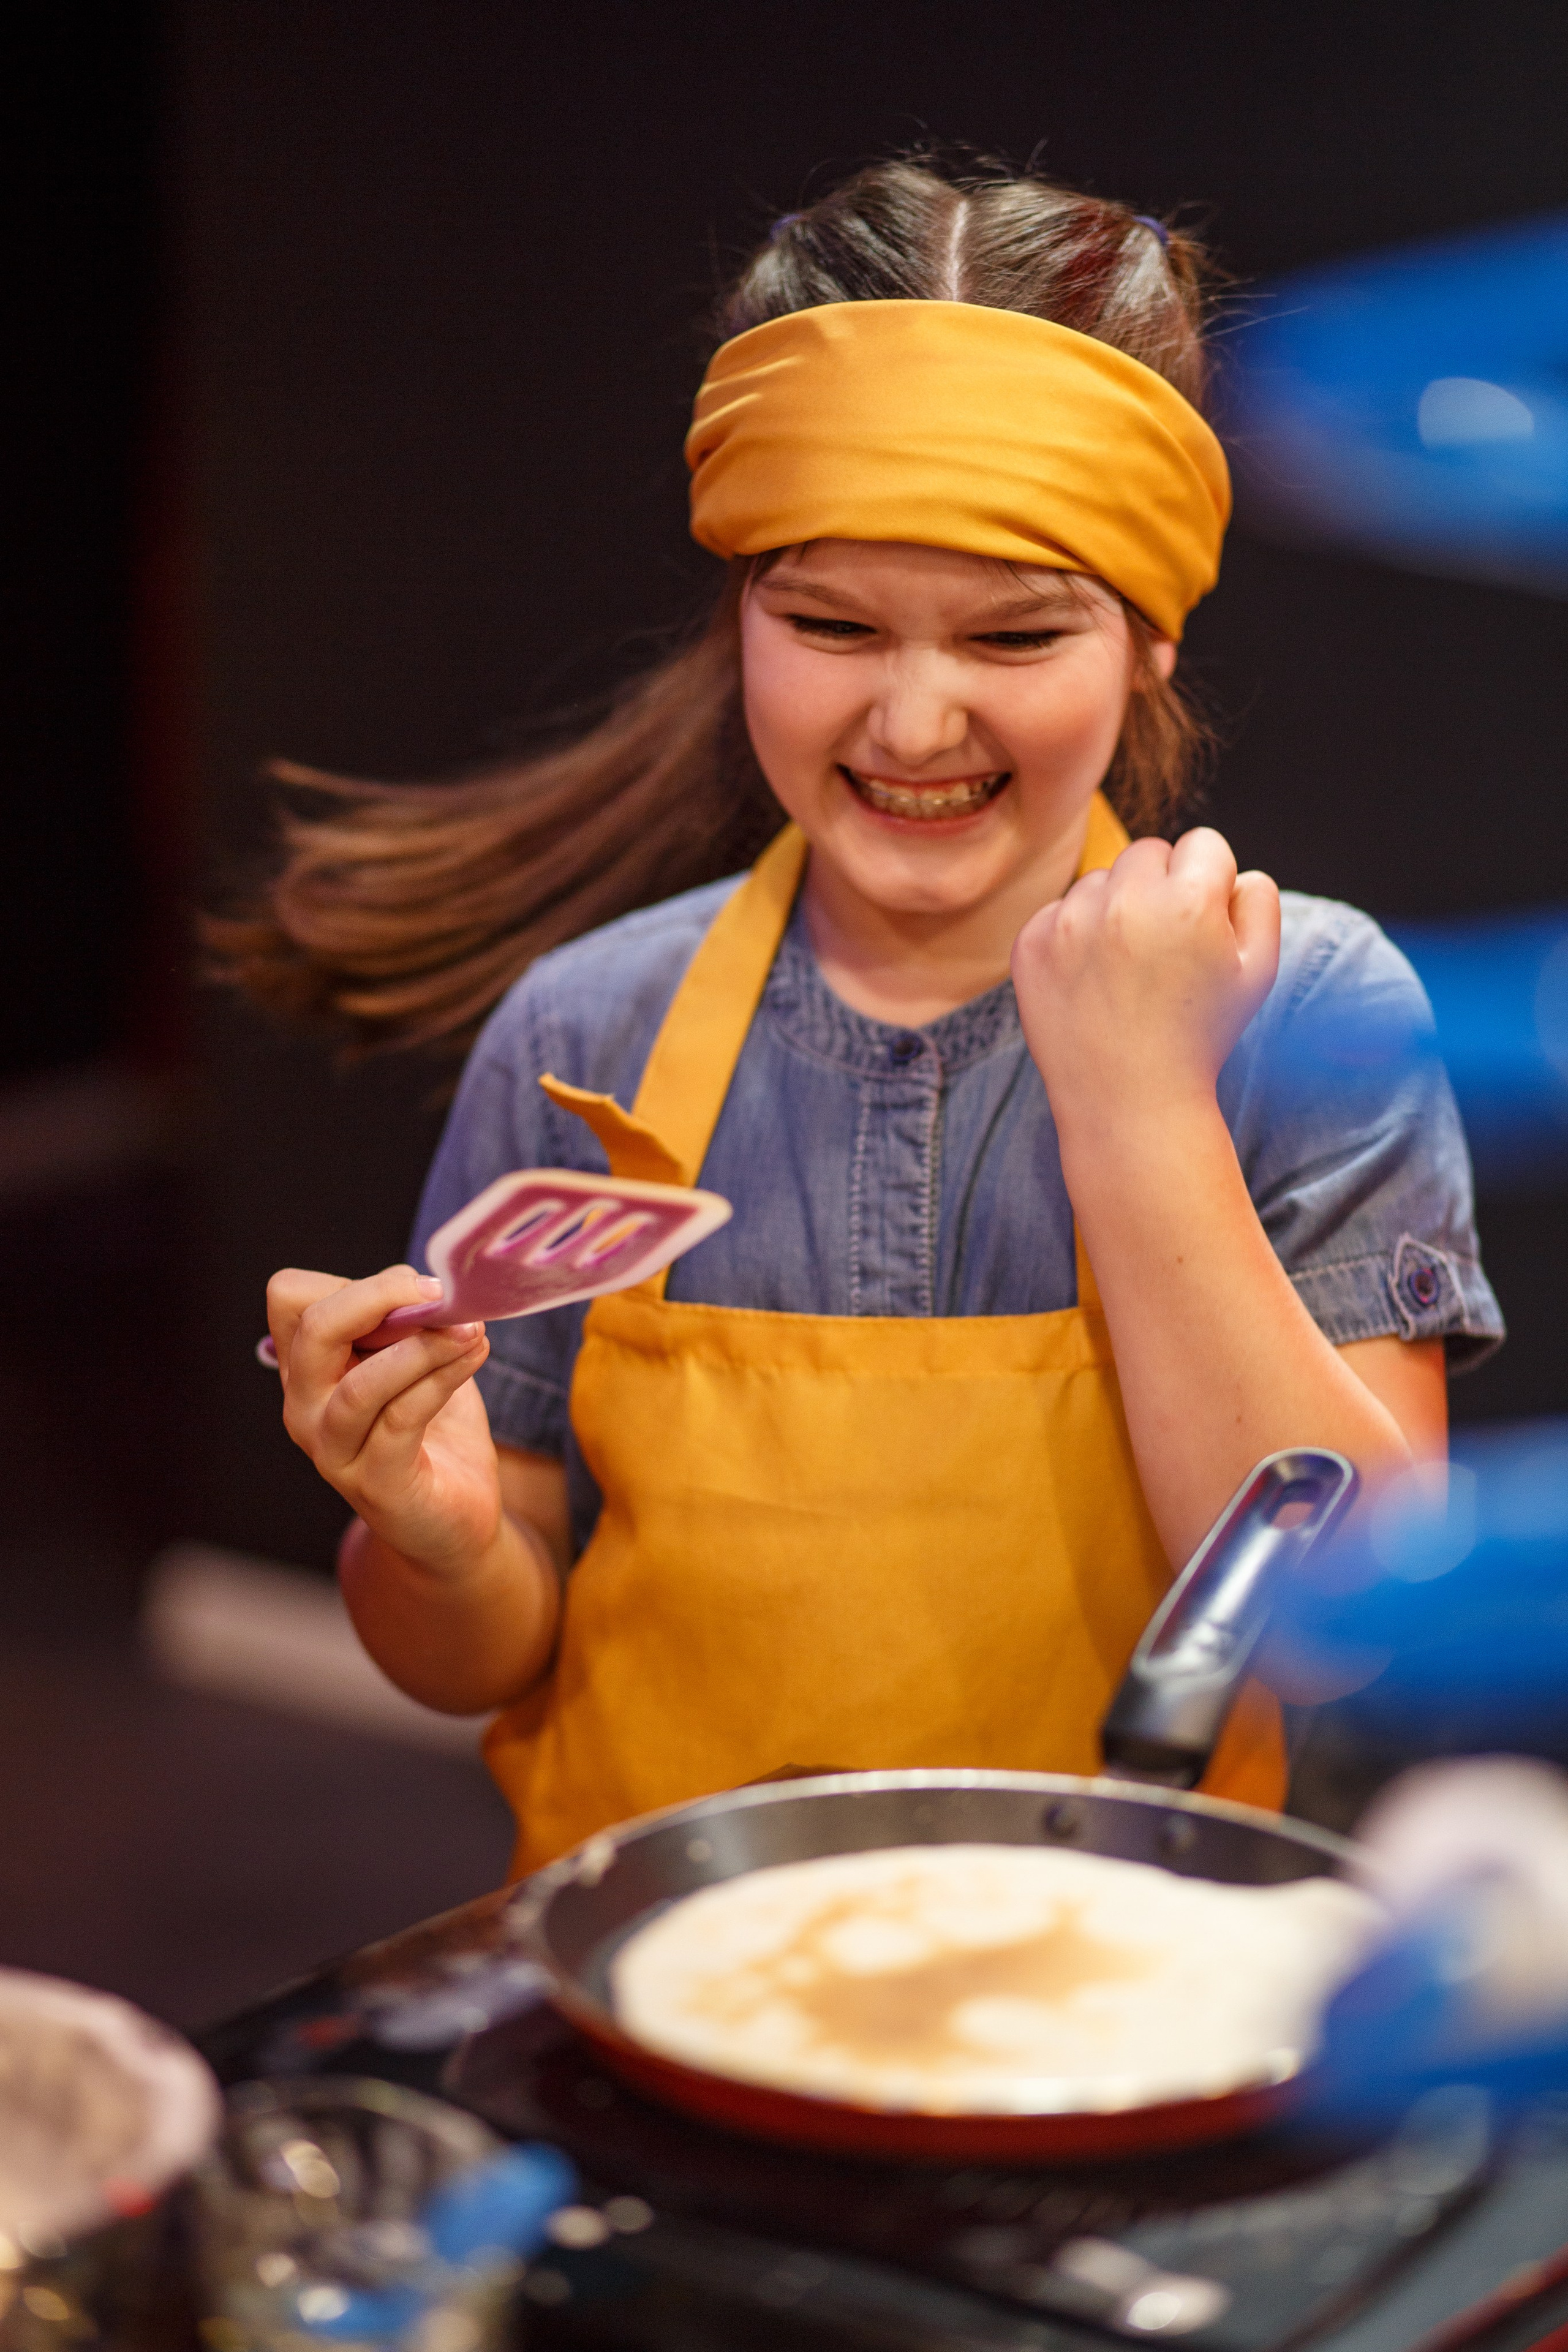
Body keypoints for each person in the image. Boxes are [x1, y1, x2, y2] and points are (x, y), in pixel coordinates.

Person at [225, 159, 1502, 1875]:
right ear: (738, 614)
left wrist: (1138, 1101)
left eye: (1015, 633)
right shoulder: (589, 1030)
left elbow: (1349, 1639)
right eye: (828, 622)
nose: (914, 720)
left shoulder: (1306, 1013)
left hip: (1119, 2003)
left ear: (1149, 643)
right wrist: (436, 1537)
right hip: (662, 1983)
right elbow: (476, 1657)